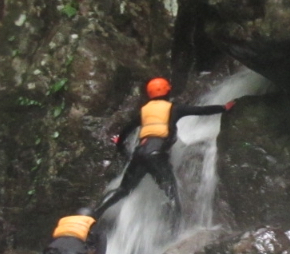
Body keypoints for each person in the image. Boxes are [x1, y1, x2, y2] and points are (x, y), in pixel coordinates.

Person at [96, 77, 234, 222]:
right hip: (157, 155)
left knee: (122, 190)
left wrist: (119, 143)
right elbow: (201, 110)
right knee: (172, 193)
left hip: (139, 154)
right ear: (168, 91)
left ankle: (93, 215)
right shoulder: (174, 109)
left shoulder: (144, 112)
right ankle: (175, 229)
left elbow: (126, 130)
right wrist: (224, 108)